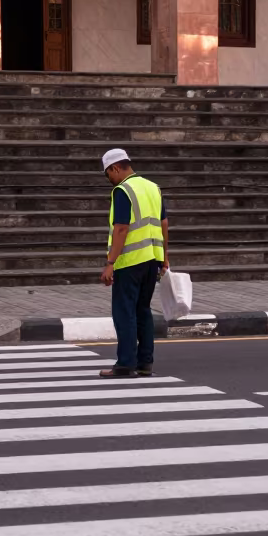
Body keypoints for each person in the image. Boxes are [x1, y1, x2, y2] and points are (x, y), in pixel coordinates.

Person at [99, 148, 169, 378]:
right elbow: (164, 224)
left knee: (124, 312)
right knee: (143, 311)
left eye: (108, 174)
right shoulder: (153, 187)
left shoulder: (123, 190)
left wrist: (110, 262)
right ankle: (144, 363)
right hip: (151, 261)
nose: (109, 179)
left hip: (129, 262)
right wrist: (164, 257)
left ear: (115, 168)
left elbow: (121, 228)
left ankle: (126, 364)